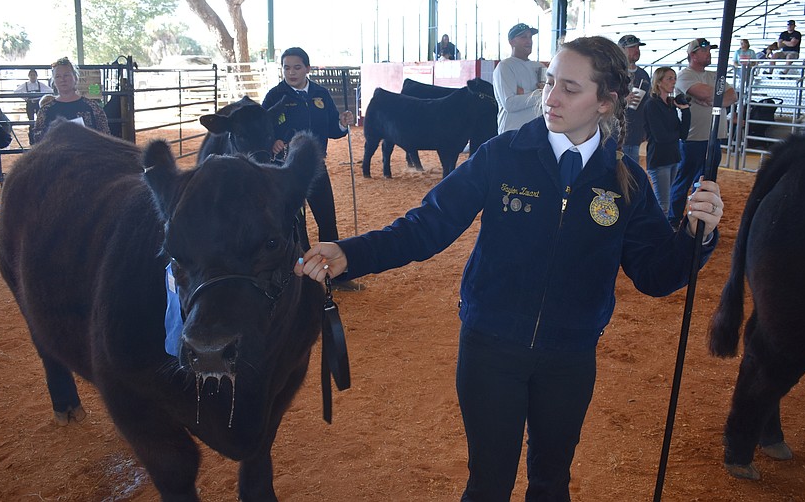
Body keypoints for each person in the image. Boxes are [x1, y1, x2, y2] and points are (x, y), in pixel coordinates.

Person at [295, 35, 724, 502]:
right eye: (550, 82)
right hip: (490, 351)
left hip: (570, 357)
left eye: (570, 88)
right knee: (488, 485)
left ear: (606, 102)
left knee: (550, 484)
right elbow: (426, 226)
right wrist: (351, 253)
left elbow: (656, 275)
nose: (551, 98)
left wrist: (694, 237)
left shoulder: (627, 181)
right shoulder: (502, 155)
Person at [261, 47, 360, 290]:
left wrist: (342, 122)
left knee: (327, 219)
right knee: (296, 226)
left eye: (296, 67)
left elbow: (333, 130)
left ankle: (334, 274)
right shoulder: (275, 96)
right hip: (284, 171)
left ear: (307, 68)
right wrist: (271, 141)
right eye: (286, 67)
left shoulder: (320, 94)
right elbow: (262, 129)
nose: (291, 72)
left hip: (315, 168)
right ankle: (303, 279)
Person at [668, 38, 736, 225]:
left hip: (714, 137)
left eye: (709, 50)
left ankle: (698, 218)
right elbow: (707, 94)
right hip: (694, 138)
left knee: (707, 181)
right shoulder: (685, 75)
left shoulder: (715, 76)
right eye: (704, 50)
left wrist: (712, 99)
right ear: (693, 54)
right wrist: (714, 97)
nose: (709, 54)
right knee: (685, 180)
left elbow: (732, 96)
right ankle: (674, 219)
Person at [643, 67, 691, 218]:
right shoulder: (652, 105)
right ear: (659, 82)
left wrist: (685, 110)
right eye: (669, 78)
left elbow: (683, 135)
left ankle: (659, 235)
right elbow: (661, 137)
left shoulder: (669, 105)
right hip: (659, 159)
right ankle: (658, 237)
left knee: (665, 202)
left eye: (674, 78)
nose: (674, 81)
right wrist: (675, 135)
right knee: (663, 205)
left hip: (672, 157)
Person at [30, 57, 109, 144]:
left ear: (75, 78)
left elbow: (105, 136)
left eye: (66, 75)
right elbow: (38, 140)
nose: (62, 79)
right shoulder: (45, 110)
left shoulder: (93, 107)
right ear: (54, 82)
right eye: (58, 76)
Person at [492, 22, 545, 134]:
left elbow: (549, 97)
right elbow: (510, 104)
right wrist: (540, 93)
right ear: (512, 42)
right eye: (523, 37)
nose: (529, 41)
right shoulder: (505, 66)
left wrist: (523, 92)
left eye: (530, 37)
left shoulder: (540, 67)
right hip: (512, 134)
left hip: (537, 133)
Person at [617, 34, 651, 165]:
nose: (637, 50)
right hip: (616, 135)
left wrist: (645, 129)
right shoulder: (614, 73)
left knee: (631, 174)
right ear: (622, 50)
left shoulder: (643, 75)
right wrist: (624, 101)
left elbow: (646, 105)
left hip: (635, 135)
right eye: (632, 47)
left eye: (637, 47)